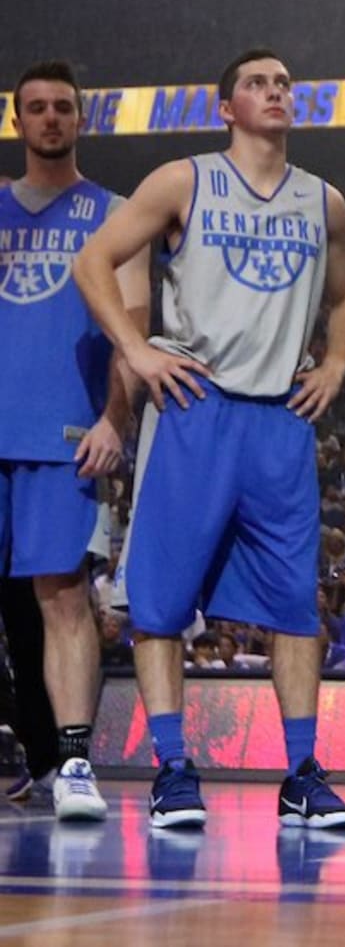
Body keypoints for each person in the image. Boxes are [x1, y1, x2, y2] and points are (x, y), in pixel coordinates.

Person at [73, 49, 345, 831]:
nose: (276, 93)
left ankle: (302, 773)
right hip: (195, 404)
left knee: (296, 607)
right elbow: (93, 261)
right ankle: (172, 770)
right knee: (160, 602)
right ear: (226, 107)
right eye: (258, 84)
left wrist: (336, 361)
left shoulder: (324, 201)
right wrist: (136, 352)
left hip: (280, 420)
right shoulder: (184, 181)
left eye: (284, 84)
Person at [0, 60, 149, 822]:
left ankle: (74, 760)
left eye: (63, 107)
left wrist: (114, 421)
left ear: (80, 120)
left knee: (63, 600)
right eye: (37, 108)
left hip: (63, 435)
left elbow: (136, 329)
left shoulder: (117, 214)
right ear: (17, 121)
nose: (51, 118)